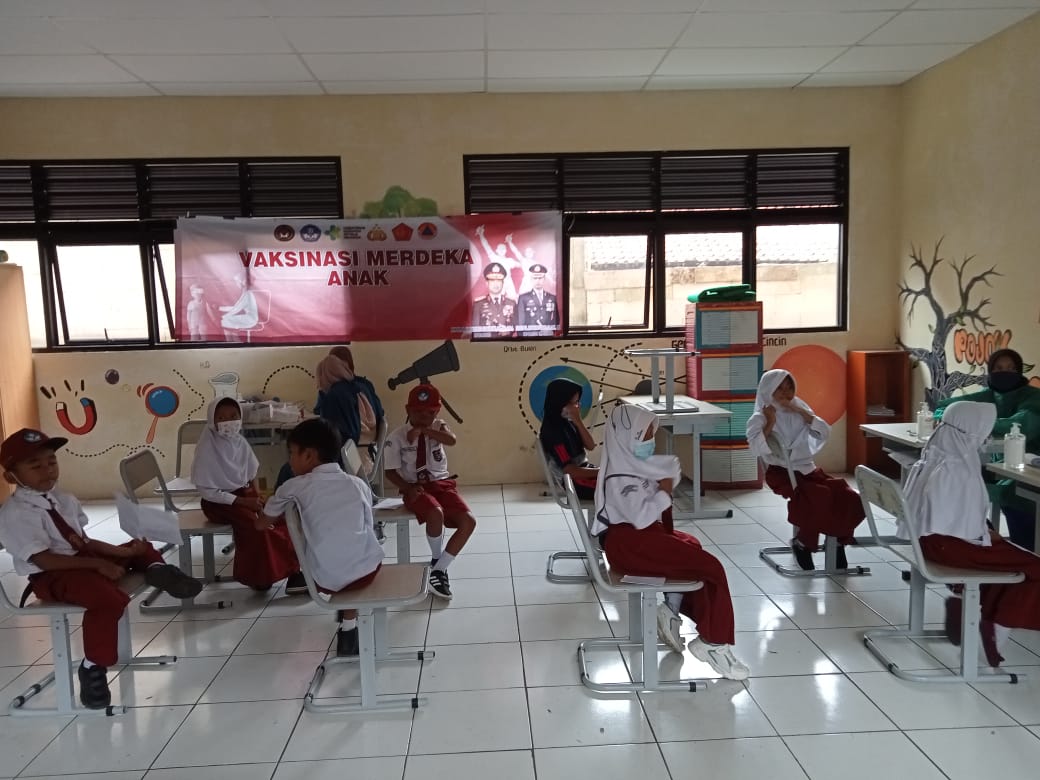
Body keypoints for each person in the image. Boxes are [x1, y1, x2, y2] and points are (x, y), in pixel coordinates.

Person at [0, 428, 202, 709]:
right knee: (106, 599)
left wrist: (121, 553)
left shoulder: (63, 499)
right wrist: (99, 564)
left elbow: (83, 541)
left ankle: (158, 570)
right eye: (35, 466)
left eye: (51, 462)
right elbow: (46, 561)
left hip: (82, 560)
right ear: (12, 477)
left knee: (139, 547)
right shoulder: (15, 514)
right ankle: (93, 666)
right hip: (53, 576)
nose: (47, 470)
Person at [593, 404, 749, 680]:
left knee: (692, 545)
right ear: (629, 436)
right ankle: (714, 644)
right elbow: (642, 516)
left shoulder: (629, 465)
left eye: (652, 434)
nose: (650, 441)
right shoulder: (620, 477)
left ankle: (670, 610)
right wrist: (664, 491)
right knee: (711, 567)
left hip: (635, 538)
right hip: (629, 545)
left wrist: (660, 482)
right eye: (645, 435)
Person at [903, 400, 1040, 667]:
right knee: (1033, 566)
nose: (986, 437)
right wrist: (989, 536)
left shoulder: (936, 456)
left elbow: (956, 515)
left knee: (1013, 557)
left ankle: (970, 606)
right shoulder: (958, 469)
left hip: (928, 541)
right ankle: (995, 626)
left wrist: (988, 534)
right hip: (950, 546)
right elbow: (965, 528)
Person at [262, 418, 383, 657]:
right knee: (359, 555)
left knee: (340, 563)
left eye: (292, 453)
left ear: (309, 455)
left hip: (322, 578)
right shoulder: (357, 484)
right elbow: (369, 524)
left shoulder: (292, 486)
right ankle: (349, 628)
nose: (290, 460)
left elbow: (263, 522)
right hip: (365, 573)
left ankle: (347, 623)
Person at [746, 369, 865, 571]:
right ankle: (803, 543)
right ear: (768, 390)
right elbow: (756, 448)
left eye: (789, 388)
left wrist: (801, 412)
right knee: (819, 496)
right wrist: (771, 422)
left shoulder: (800, 409)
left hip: (808, 471)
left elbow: (824, 432)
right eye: (779, 388)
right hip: (781, 472)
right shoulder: (760, 416)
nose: (785, 393)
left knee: (849, 496)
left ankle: (837, 541)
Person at [192, 397, 305, 594]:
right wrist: (244, 502)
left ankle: (293, 571)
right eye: (221, 418)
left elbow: (251, 475)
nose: (228, 421)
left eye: (233, 416)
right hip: (219, 503)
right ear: (212, 420)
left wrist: (258, 498)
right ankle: (260, 578)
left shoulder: (239, 442)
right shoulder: (207, 448)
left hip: (244, 496)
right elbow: (209, 492)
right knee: (258, 527)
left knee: (279, 518)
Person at [935, 348, 1040, 549]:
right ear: (990, 371)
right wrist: (944, 417)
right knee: (960, 482)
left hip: (1029, 468)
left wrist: (974, 421)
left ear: (1019, 371)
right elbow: (946, 407)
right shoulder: (990, 395)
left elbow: (1022, 425)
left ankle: (1025, 550)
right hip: (1002, 467)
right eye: (998, 368)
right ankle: (980, 539)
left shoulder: (1034, 397)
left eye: (1011, 368)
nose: (1005, 373)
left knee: (1013, 496)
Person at [383, 384, 477, 600]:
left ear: (437, 411)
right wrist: (408, 488)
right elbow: (390, 472)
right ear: (407, 410)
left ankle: (438, 570)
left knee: (468, 521)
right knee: (435, 513)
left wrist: (425, 431)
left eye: (430, 412)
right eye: (417, 411)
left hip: (442, 484)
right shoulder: (397, 437)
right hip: (414, 487)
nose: (424, 416)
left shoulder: (438, 427)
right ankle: (436, 559)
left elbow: (451, 440)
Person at [539, 377, 598, 500]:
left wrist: (578, 421)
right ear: (560, 403)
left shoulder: (567, 422)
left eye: (577, 403)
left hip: (583, 471)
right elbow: (570, 471)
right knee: (621, 488)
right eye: (573, 403)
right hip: (573, 483)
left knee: (624, 480)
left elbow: (591, 445)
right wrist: (602, 472)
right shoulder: (553, 432)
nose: (577, 407)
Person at [471, 262, 517, 338]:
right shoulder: (478, 304)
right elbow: (475, 331)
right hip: (486, 343)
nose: (496, 284)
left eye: (499, 280)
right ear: (487, 283)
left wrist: (508, 331)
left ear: (503, 283)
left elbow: (516, 325)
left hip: (507, 343)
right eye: (492, 280)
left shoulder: (511, 303)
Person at [517, 264, 559, 336]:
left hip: (547, 334)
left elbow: (556, 319)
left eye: (540, 278)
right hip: (530, 335)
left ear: (544, 279)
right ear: (531, 279)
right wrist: (522, 337)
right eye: (535, 278)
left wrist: (551, 330)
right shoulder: (523, 298)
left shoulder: (552, 297)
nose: (538, 281)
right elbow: (521, 321)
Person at [219, 271, 259, 341]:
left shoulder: (247, 294)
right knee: (226, 321)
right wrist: (220, 308)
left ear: (242, 282)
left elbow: (236, 309)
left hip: (250, 319)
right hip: (249, 318)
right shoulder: (246, 293)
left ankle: (233, 342)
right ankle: (231, 341)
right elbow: (236, 307)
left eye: (237, 281)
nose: (236, 283)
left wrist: (224, 316)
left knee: (225, 321)